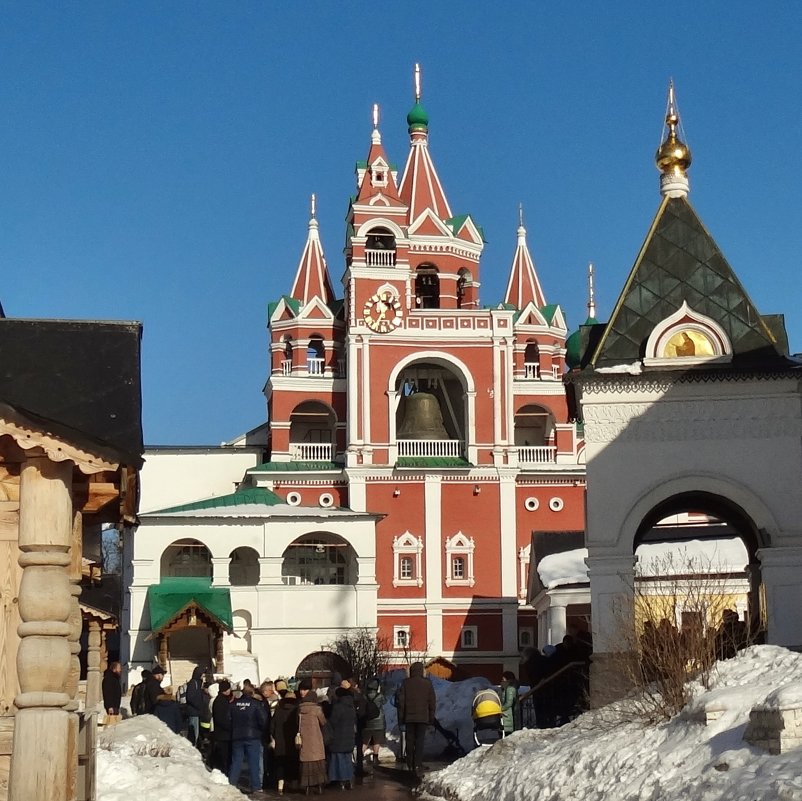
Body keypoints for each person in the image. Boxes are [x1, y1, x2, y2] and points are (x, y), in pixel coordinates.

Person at [396, 662, 436, 780]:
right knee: (419, 742)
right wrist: (431, 717)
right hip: (423, 718)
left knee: (410, 741)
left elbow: (401, 703)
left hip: (409, 718)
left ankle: (410, 764)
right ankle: (418, 764)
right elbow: (432, 702)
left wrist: (401, 718)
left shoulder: (405, 683)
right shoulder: (427, 684)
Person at [229, 684, 268, 796]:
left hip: (237, 736)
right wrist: (259, 730)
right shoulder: (256, 704)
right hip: (253, 736)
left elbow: (228, 718)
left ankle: (231, 784)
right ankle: (256, 786)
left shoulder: (233, 704)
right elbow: (263, 719)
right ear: (252, 693)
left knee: (236, 761)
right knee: (253, 762)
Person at [297, 679, 327, 795]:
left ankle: (307, 787)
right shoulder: (317, 709)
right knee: (318, 764)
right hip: (316, 741)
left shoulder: (299, 709)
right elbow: (323, 722)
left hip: (304, 741)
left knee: (306, 765)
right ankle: (319, 787)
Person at [271, 687, 300, 796]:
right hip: (293, 743)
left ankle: (280, 785)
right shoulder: (297, 710)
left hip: (280, 743)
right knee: (293, 762)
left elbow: (272, 727)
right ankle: (294, 785)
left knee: (280, 764)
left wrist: (276, 737)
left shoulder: (278, 710)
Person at [327, 686, 357, 789]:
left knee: (338, 760)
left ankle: (341, 781)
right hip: (349, 737)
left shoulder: (338, 707)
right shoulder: (351, 706)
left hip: (338, 738)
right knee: (347, 760)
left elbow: (333, 722)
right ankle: (349, 779)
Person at [361, 677, 386, 769]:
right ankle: (375, 758)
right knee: (377, 741)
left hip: (367, 721)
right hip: (378, 722)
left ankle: (359, 756)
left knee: (365, 741)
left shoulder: (364, 696)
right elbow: (385, 701)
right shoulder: (380, 696)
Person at [212, 680, 234, 776]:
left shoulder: (223, 700)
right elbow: (221, 719)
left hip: (224, 734)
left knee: (226, 756)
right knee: (225, 757)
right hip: (224, 735)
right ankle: (226, 774)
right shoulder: (220, 702)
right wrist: (230, 727)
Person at [185, 665, 209, 746]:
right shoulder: (193, 683)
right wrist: (199, 706)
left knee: (196, 733)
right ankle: (193, 747)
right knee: (194, 733)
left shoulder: (198, 683)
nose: (204, 676)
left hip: (197, 712)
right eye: (203, 674)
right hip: (194, 712)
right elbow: (190, 697)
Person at [499, 671, 518, 735]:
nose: (502, 681)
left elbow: (509, 703)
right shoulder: (509, 688)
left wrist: (500, 709)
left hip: (507, 716)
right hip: (507, 715)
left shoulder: (510, 689)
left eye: (503, 679)